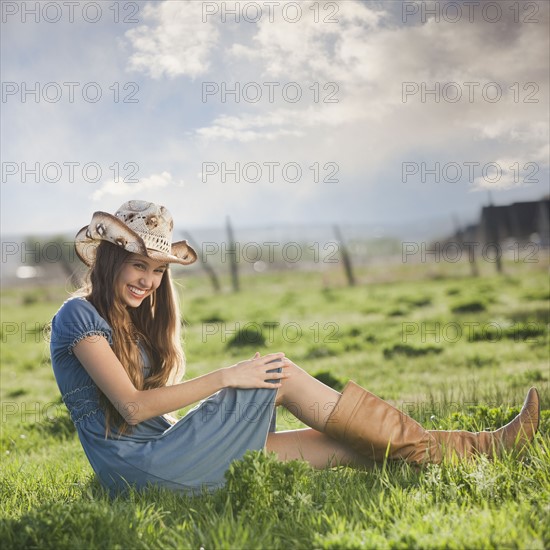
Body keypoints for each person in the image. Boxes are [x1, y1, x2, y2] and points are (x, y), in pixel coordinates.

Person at [50, 200, 540, 495]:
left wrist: (214, 413)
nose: (150, 281)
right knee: (276, 373)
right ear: (112, 257)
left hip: (167, 453)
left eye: (158, 271)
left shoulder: (132, 322)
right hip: (143, 469)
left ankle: (478, 451)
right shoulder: (78, 316)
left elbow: (149, 412)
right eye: (141, 266)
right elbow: (133, 408)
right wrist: (227, 379)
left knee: (341, 447)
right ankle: (476, 449)